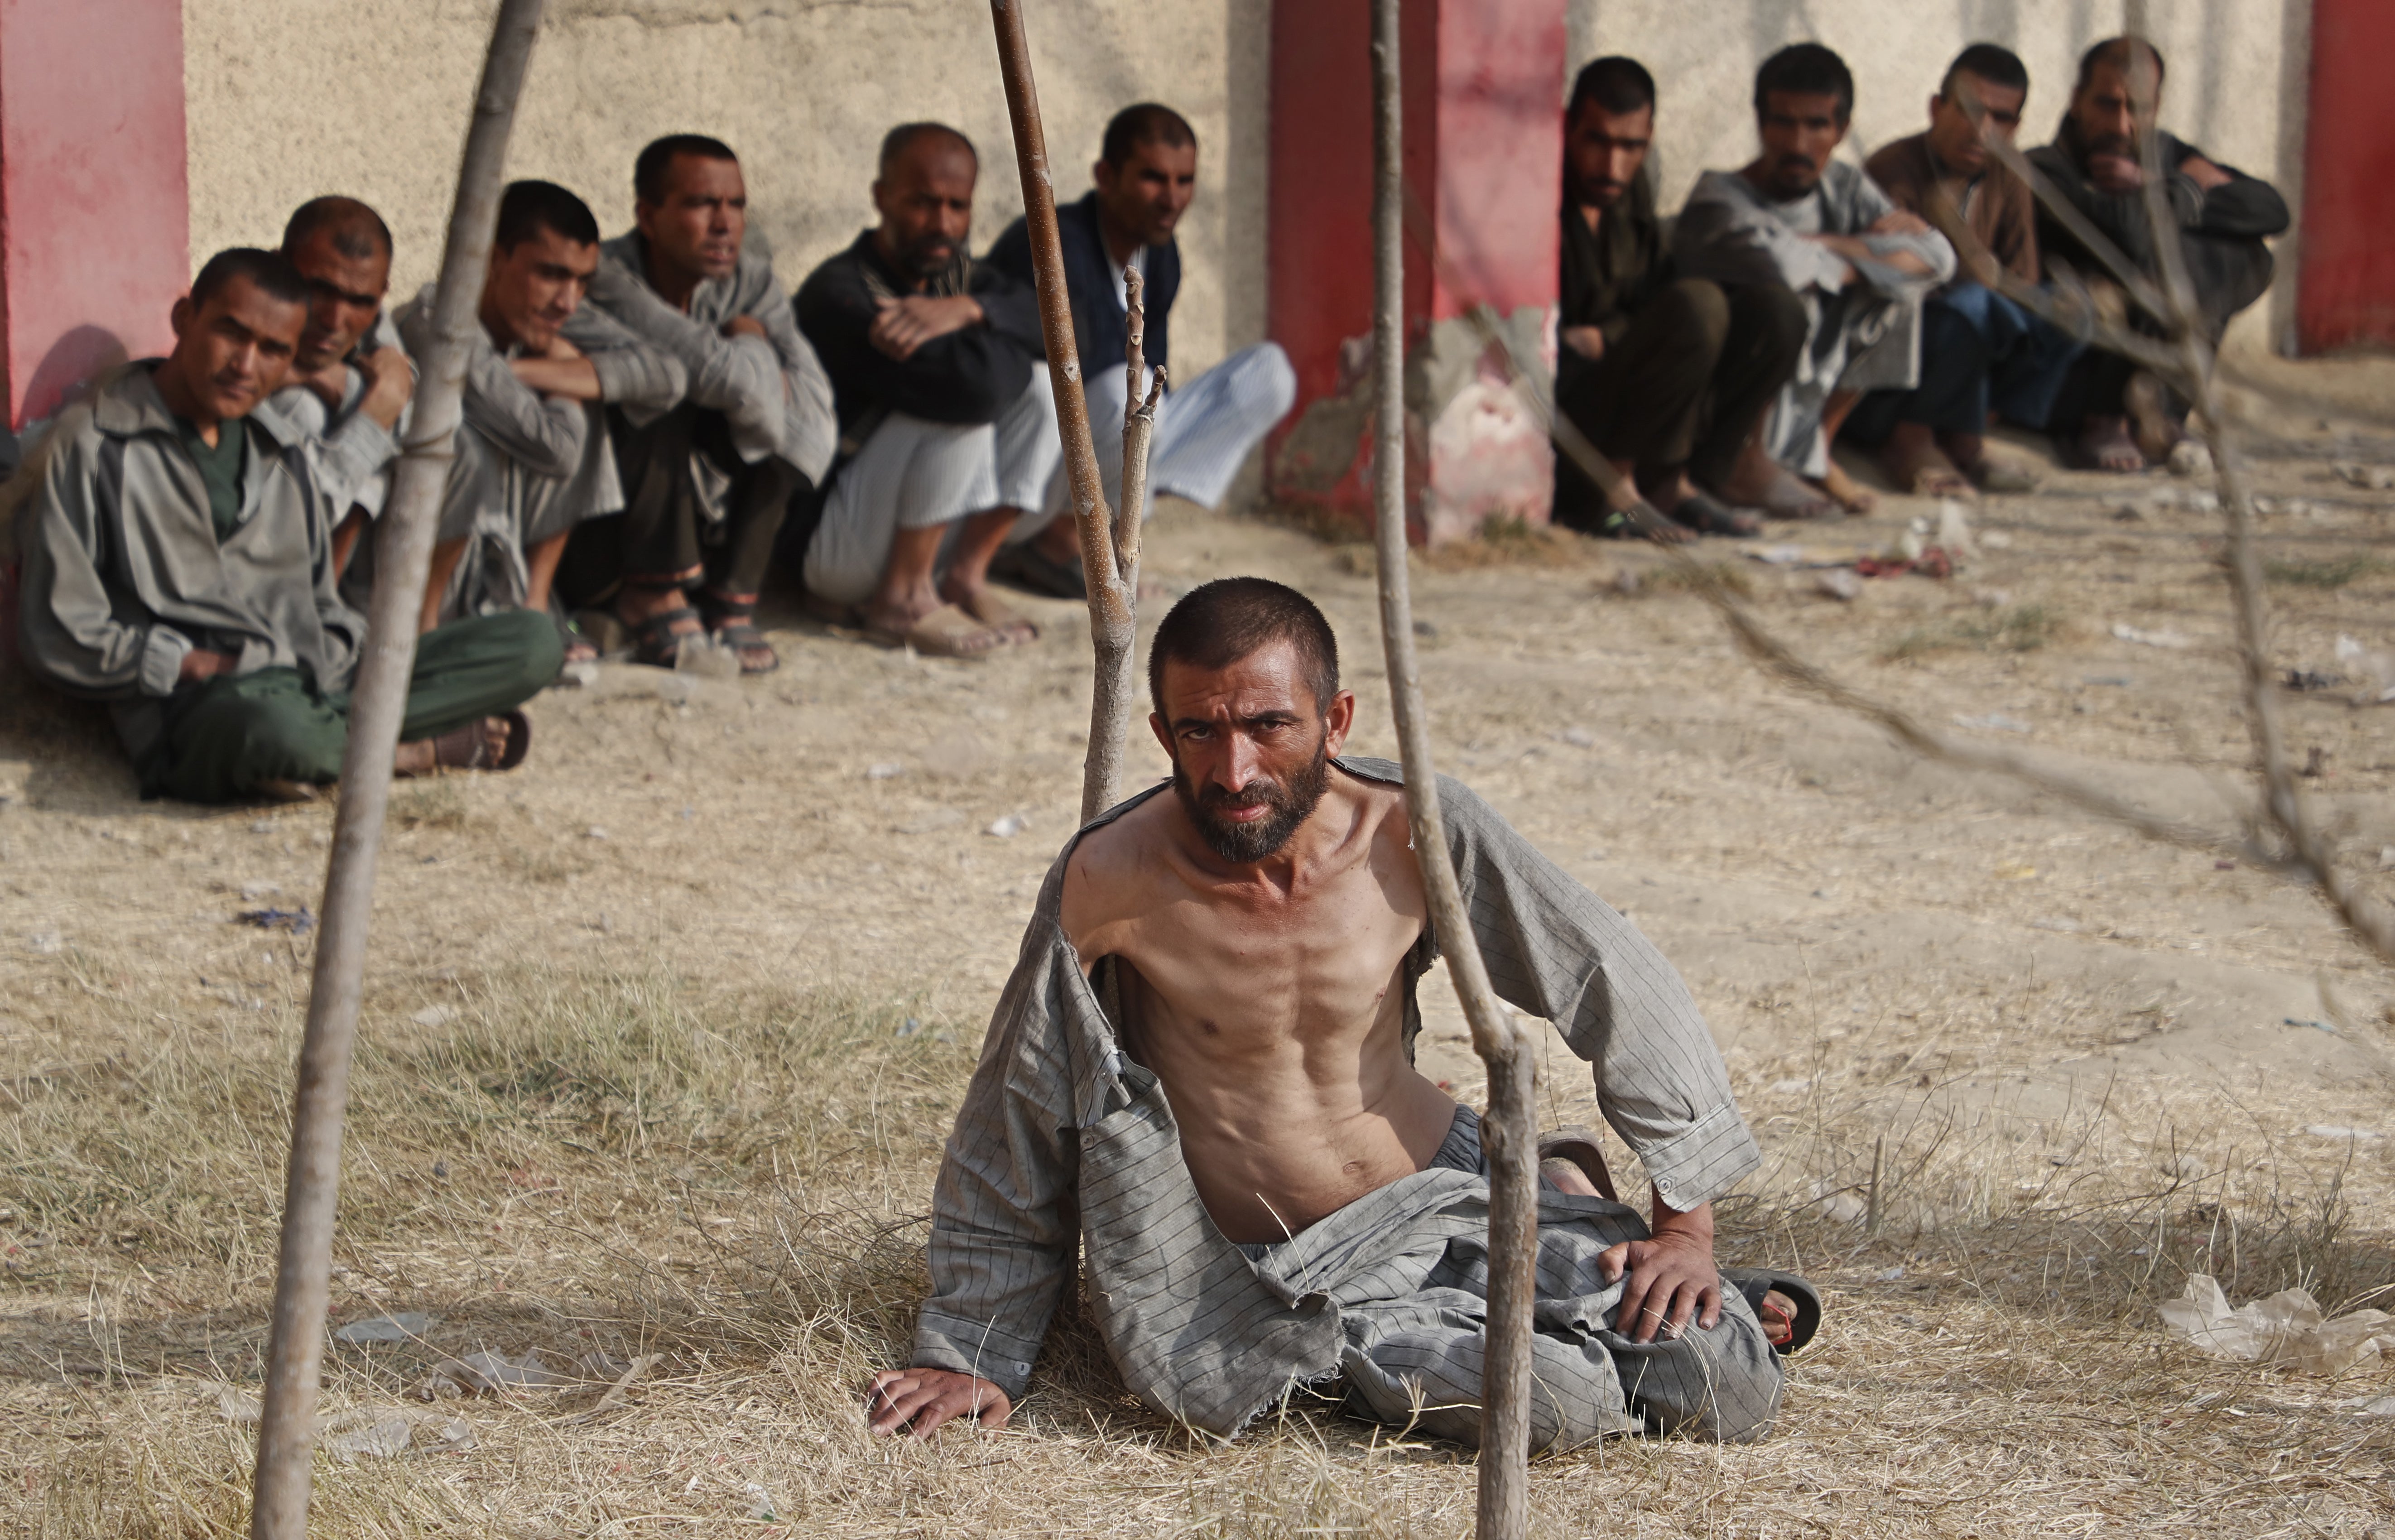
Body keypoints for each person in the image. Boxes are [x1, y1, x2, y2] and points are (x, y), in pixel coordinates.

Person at [866, 577, 1817, 1449]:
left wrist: (1685, 1227)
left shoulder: (1411, 831)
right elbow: (1016, 1113)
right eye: (1199, 731)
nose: (1233, 770)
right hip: (1278, 1271)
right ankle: (1565, 1233)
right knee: (1553, 1400)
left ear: (1336, 717)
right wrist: (973, 1347)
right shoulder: (1106, 878)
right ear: (1163, 735)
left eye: (1269, 725)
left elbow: (1611, 975)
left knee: (1722, 1378)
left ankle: (1570, 1218)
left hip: (1448, 1193)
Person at [14, 249, 561, 805]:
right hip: (207, 704)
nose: (246, 366)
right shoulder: (96, 445)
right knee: (269, 726)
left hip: (314, 678)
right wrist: (189, 663)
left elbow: (319, 597)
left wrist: (342, 649)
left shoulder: (280, 450)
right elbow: (57, 632)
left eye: (274, 351)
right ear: (184, 319)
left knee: (533, 642)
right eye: (233, 334)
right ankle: (410, 751)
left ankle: (333, 741)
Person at [982, 103, 1297, 597]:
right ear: (1106, 176)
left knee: (1266, 375)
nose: (1171, 199)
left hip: (1102, 454)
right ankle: (1054, 539)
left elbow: (1151, 369)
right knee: (1119, 392)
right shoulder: (1052, 241)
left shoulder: (1160, 251)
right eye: (1153, 178)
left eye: (1183, 180)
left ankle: (1096, 537)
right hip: (1021, 473)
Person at [561, 134, 838, 674]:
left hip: (696, 500)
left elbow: (814, 412)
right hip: (595, 511)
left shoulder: (751, 279)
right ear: (647, 215)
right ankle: (651, 593)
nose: (725, 224)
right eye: (700, 204)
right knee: (663, 387)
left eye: (735, 205)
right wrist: (755, 347)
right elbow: (714, 377)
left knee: (785, 422)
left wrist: (749, 368)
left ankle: (732, 599)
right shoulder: (608, 278)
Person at [393, 181, 685, 652]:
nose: (568, 302)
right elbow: (557, 450)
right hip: (422, 574)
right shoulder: (440, 322)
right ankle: (482, 625)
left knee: (577, 381)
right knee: (568, 401)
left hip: (499, 541)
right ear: (490, 259)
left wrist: (529, 370)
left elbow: (668, 376)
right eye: (551, 274)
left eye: (583, 281)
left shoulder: (544, 319)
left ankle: (534, 603)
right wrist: (565, 378)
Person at [794, 122, 1050, 657]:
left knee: (1045, 388)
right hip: (835, 550)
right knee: (961, 405)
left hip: (921, 532)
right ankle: (902, 600)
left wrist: (971, 310)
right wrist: (997, 336)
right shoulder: (840, 291)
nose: (942, 223)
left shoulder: (957, 282)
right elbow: (972, 389)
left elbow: (1070, 333)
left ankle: (964, 576)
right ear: (881, 197)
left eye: (957, 206)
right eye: (922, 203)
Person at [1675, 43, 1955, 518]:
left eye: (1816, 125)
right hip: (1726, 407)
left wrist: (1831, 247)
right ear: (1760, 123)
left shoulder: (1843, 187)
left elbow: (1938, 259)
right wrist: (1869, 258)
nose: (1798, 144)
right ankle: (1746, 462)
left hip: (1810, 387)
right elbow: (1783, 267)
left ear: (1841, 130)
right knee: (1787, 300)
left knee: (1900, 293)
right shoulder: (1718, 197)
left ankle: (1817, 451)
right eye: (1782, 123)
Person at [1549, 58, 1804, 542]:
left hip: (1624, 393)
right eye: (1596, 141)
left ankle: (1676, 483)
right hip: (1567, 420)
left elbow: (1646, 297)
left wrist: (1607, 335)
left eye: (1631, 146)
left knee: (1777, 312)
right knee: (1697, 307)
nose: (1611, 167)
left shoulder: (1630, 189)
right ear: (1568, 128)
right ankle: (1614, 494)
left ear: (1648, 137)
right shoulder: (1541, 190)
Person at [2027, 38, 2287, 471]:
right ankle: (2105, 419)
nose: (2123, 125)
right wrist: (2181, 189)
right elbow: (2130, 235)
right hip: (2072, 376)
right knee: (2155, 260)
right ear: (2076, 101)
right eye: (2107, 105)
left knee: (2242, 255)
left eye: (2139, 109)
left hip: (2152, 362)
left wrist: (2154, 185)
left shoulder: (2162, 154)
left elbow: (2270, 210)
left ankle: (2163, 416)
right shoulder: (2044, 167)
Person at [1847, 43, 2074, 496]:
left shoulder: (2008, 174)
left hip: (1978, 339)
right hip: (1890, 367)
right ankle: (1910, 440)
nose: (1981, 130)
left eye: (2001, 118)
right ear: (1936, 108)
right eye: (1970, 111)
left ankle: (1969, 430)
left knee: (2073, 308)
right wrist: (1978, 285)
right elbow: (1898, 293)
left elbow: (2021, 285)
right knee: (1969, 307)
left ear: (2016, 126)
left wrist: (1987, 285)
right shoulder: (1894, 169)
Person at [254, 197, 414, 580]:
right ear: (281, 266)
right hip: (258, 562)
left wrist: (346, 385)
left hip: (339, 577)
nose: (335, 320)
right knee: (306, 408)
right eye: (320, 291)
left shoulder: (373, 320)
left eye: (360, 301)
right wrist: (373, 411)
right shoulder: (243, 306)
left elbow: (430, 419)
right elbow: (289, 530)